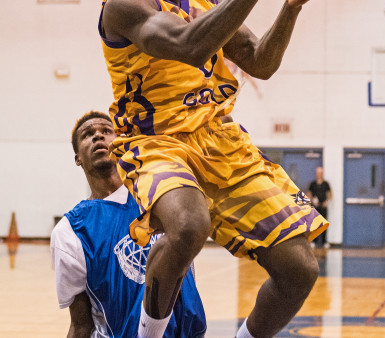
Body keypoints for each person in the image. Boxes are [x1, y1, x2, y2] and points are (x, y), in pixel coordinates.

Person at [99, 0, 328, 337]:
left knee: (299, 268)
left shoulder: (207, 3)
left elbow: (260, 61)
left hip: (218, 139)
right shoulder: (123, 5)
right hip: (155, 138)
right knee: (190, 226)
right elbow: (188, 44)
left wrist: (291, 8)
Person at [50, 111, 207, 337]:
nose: (98, 137)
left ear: (122, 142)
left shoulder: (161, 195)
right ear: (77, 158)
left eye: (106, 131)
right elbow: (81, 324)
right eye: (88, 134)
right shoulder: (70, 231)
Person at [307, 166, 332, 248]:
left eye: (320, 173)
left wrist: (326, 201)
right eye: (318, 173)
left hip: (323, 207)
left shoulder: (326, 184)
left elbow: (330, 194)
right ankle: (314, 241)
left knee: (324, 224)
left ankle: (324, 242)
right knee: (314, 224)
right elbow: (308, 194)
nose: (319, 174)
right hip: (315, 207)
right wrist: (312, 200)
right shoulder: (313, 184)